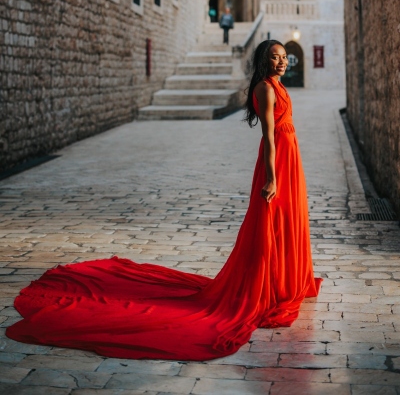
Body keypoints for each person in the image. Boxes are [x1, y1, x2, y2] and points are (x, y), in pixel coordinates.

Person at [6, 40, 321, 361]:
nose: (281, 62)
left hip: (289, 157)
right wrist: (271, 176)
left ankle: (286, 278)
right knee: (272, 221)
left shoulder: (279, 86)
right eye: (274, 57)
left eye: (283, 58)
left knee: (289, 217)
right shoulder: (265, 90)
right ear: (264, 61)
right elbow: (268, 135)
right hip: (277, 160)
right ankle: (269, 284)